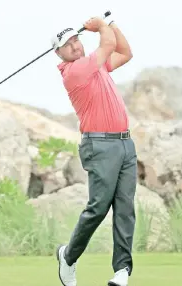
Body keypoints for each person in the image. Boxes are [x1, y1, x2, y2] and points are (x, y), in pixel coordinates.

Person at [51, 13, 137, 286]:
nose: (76, 46)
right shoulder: (75, 71)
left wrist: (110, 25)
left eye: (77, 40)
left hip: (125, 143)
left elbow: (125, 52)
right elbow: (108, 46)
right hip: (99, 145)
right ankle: (68, 256)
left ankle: (122, 271)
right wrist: (100, 26)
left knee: (125, 208)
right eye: (69, 45)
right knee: (99, 207)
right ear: (59, 53)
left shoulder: (95, 65)